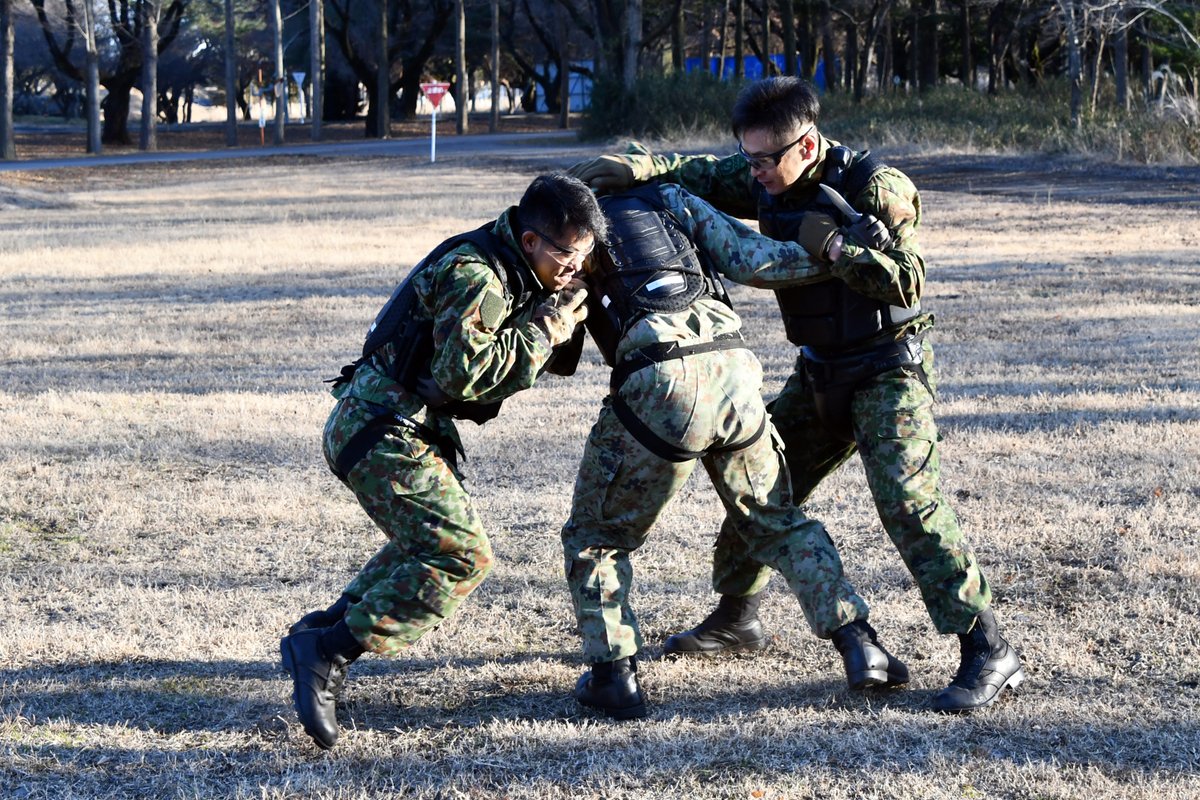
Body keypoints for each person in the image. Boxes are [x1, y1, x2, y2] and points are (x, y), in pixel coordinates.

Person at [568, 76, 1024, 714]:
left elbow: (908, 283)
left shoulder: (876, 188)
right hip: (817, 374)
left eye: (764, 160)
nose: (753, 173)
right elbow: (698, 173)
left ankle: (987, 648)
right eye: (747, 157)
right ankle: (736, 618)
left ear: (806, 145)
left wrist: (834, 246)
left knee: (909, 508)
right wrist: (637, 166)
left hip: (887, 370)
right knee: (758, 497)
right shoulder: (762, 174)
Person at [281, 174, 608, 749]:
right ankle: (328, 651)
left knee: (425, 544)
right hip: (381, 432)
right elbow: (467, 375)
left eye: (584, 255)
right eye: (566, 254)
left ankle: (316, 632)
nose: (575, 266)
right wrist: (548, 326)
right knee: (462, 557)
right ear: (530, 240)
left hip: (393, 424)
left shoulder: (516, 262)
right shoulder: (476, 274)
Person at [563, 182, 908, 720]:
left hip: (660, 377)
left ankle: (614, 677)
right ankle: (861, 643)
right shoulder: (669, 196)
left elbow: (560, 336)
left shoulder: (570, 224)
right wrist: (843, 251)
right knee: (778, 522)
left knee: (596, 537)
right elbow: (755, 260)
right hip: (733, 368)